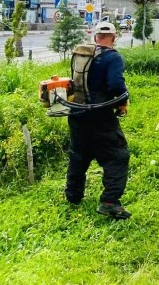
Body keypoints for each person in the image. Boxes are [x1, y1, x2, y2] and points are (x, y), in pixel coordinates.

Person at [65, 21, 132, 220]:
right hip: (99, 115)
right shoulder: (112, 57)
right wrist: (123, 99)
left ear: (95, 37)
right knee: (118, 156)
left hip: (76, 112)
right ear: (114, 37)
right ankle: (109, 203)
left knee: (79, 154)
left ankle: (73, 195)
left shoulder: (83, 54)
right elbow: (115, 86)